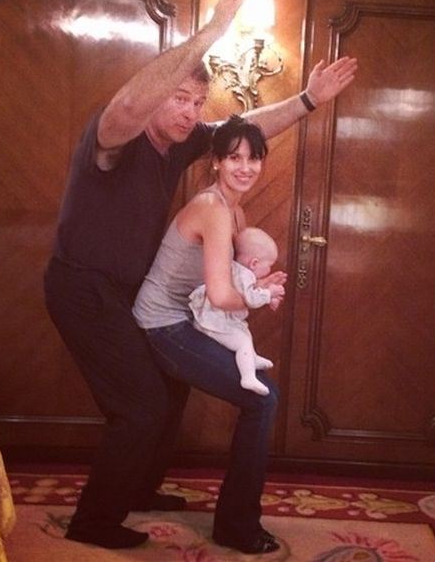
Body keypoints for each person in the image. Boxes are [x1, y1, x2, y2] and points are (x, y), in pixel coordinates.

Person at [43, 0, 357, 551]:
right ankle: (93, 521)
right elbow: (131, 101)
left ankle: (139, 490)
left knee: (169, 391)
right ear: (156, 97)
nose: (189, 112)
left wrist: (309, 99)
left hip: (126, 292)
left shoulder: (181, 143)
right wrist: (212, 30)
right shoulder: (115, 136)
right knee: (140, 406)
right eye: (179, 98)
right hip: (81, 288)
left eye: (196, 101)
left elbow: (244, 130)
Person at [133, 116, 287, 553]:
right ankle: (237, 526)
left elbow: (230, 280)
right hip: (163, 323)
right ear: (216, 161)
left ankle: (139, 491)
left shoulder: (234, 211)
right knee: (263, 399)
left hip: (188, 317)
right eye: (234, 157)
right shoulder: (213, 209)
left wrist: (258, 287)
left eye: (253, 158)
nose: (245, 167)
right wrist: (259, 297)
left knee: (171, 404)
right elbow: (221, 296)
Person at [188, 225, 283, 396]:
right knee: (242, 342)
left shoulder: (237, 269)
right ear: (254, 263)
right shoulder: (245, 275)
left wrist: (269, 297)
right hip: (213, 322)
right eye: (269, 265)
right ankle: (248, 377)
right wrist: (270, 294)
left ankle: (250, 358)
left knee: (244, 331)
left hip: (218, 318)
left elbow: (249, 292)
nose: (269, 270)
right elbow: (251, 299)